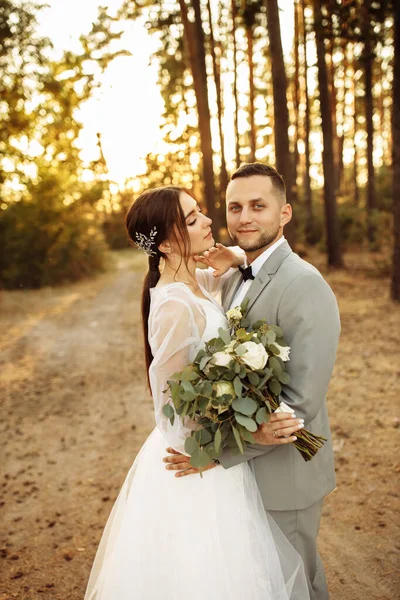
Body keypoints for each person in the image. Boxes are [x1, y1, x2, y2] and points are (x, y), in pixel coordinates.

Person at [83, 185, 310, 600]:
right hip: (196, 462)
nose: (208, 221)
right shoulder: (173, 305)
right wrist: (223, 447)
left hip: (217, 456)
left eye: (201, 212)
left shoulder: (200, 281)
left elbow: (249, 263)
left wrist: (237, 256)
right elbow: (170, 406)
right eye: (192, 219)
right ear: (167, 243)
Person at [164, 164, 341, 600]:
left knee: (296, 582)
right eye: (235, 207)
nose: (244, 217)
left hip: (288, 471)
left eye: (258, 206)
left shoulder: (305, 284)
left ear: (284, 213)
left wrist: (218, 452)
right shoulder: (231, 275)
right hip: (246, 472)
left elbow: (300, 402)